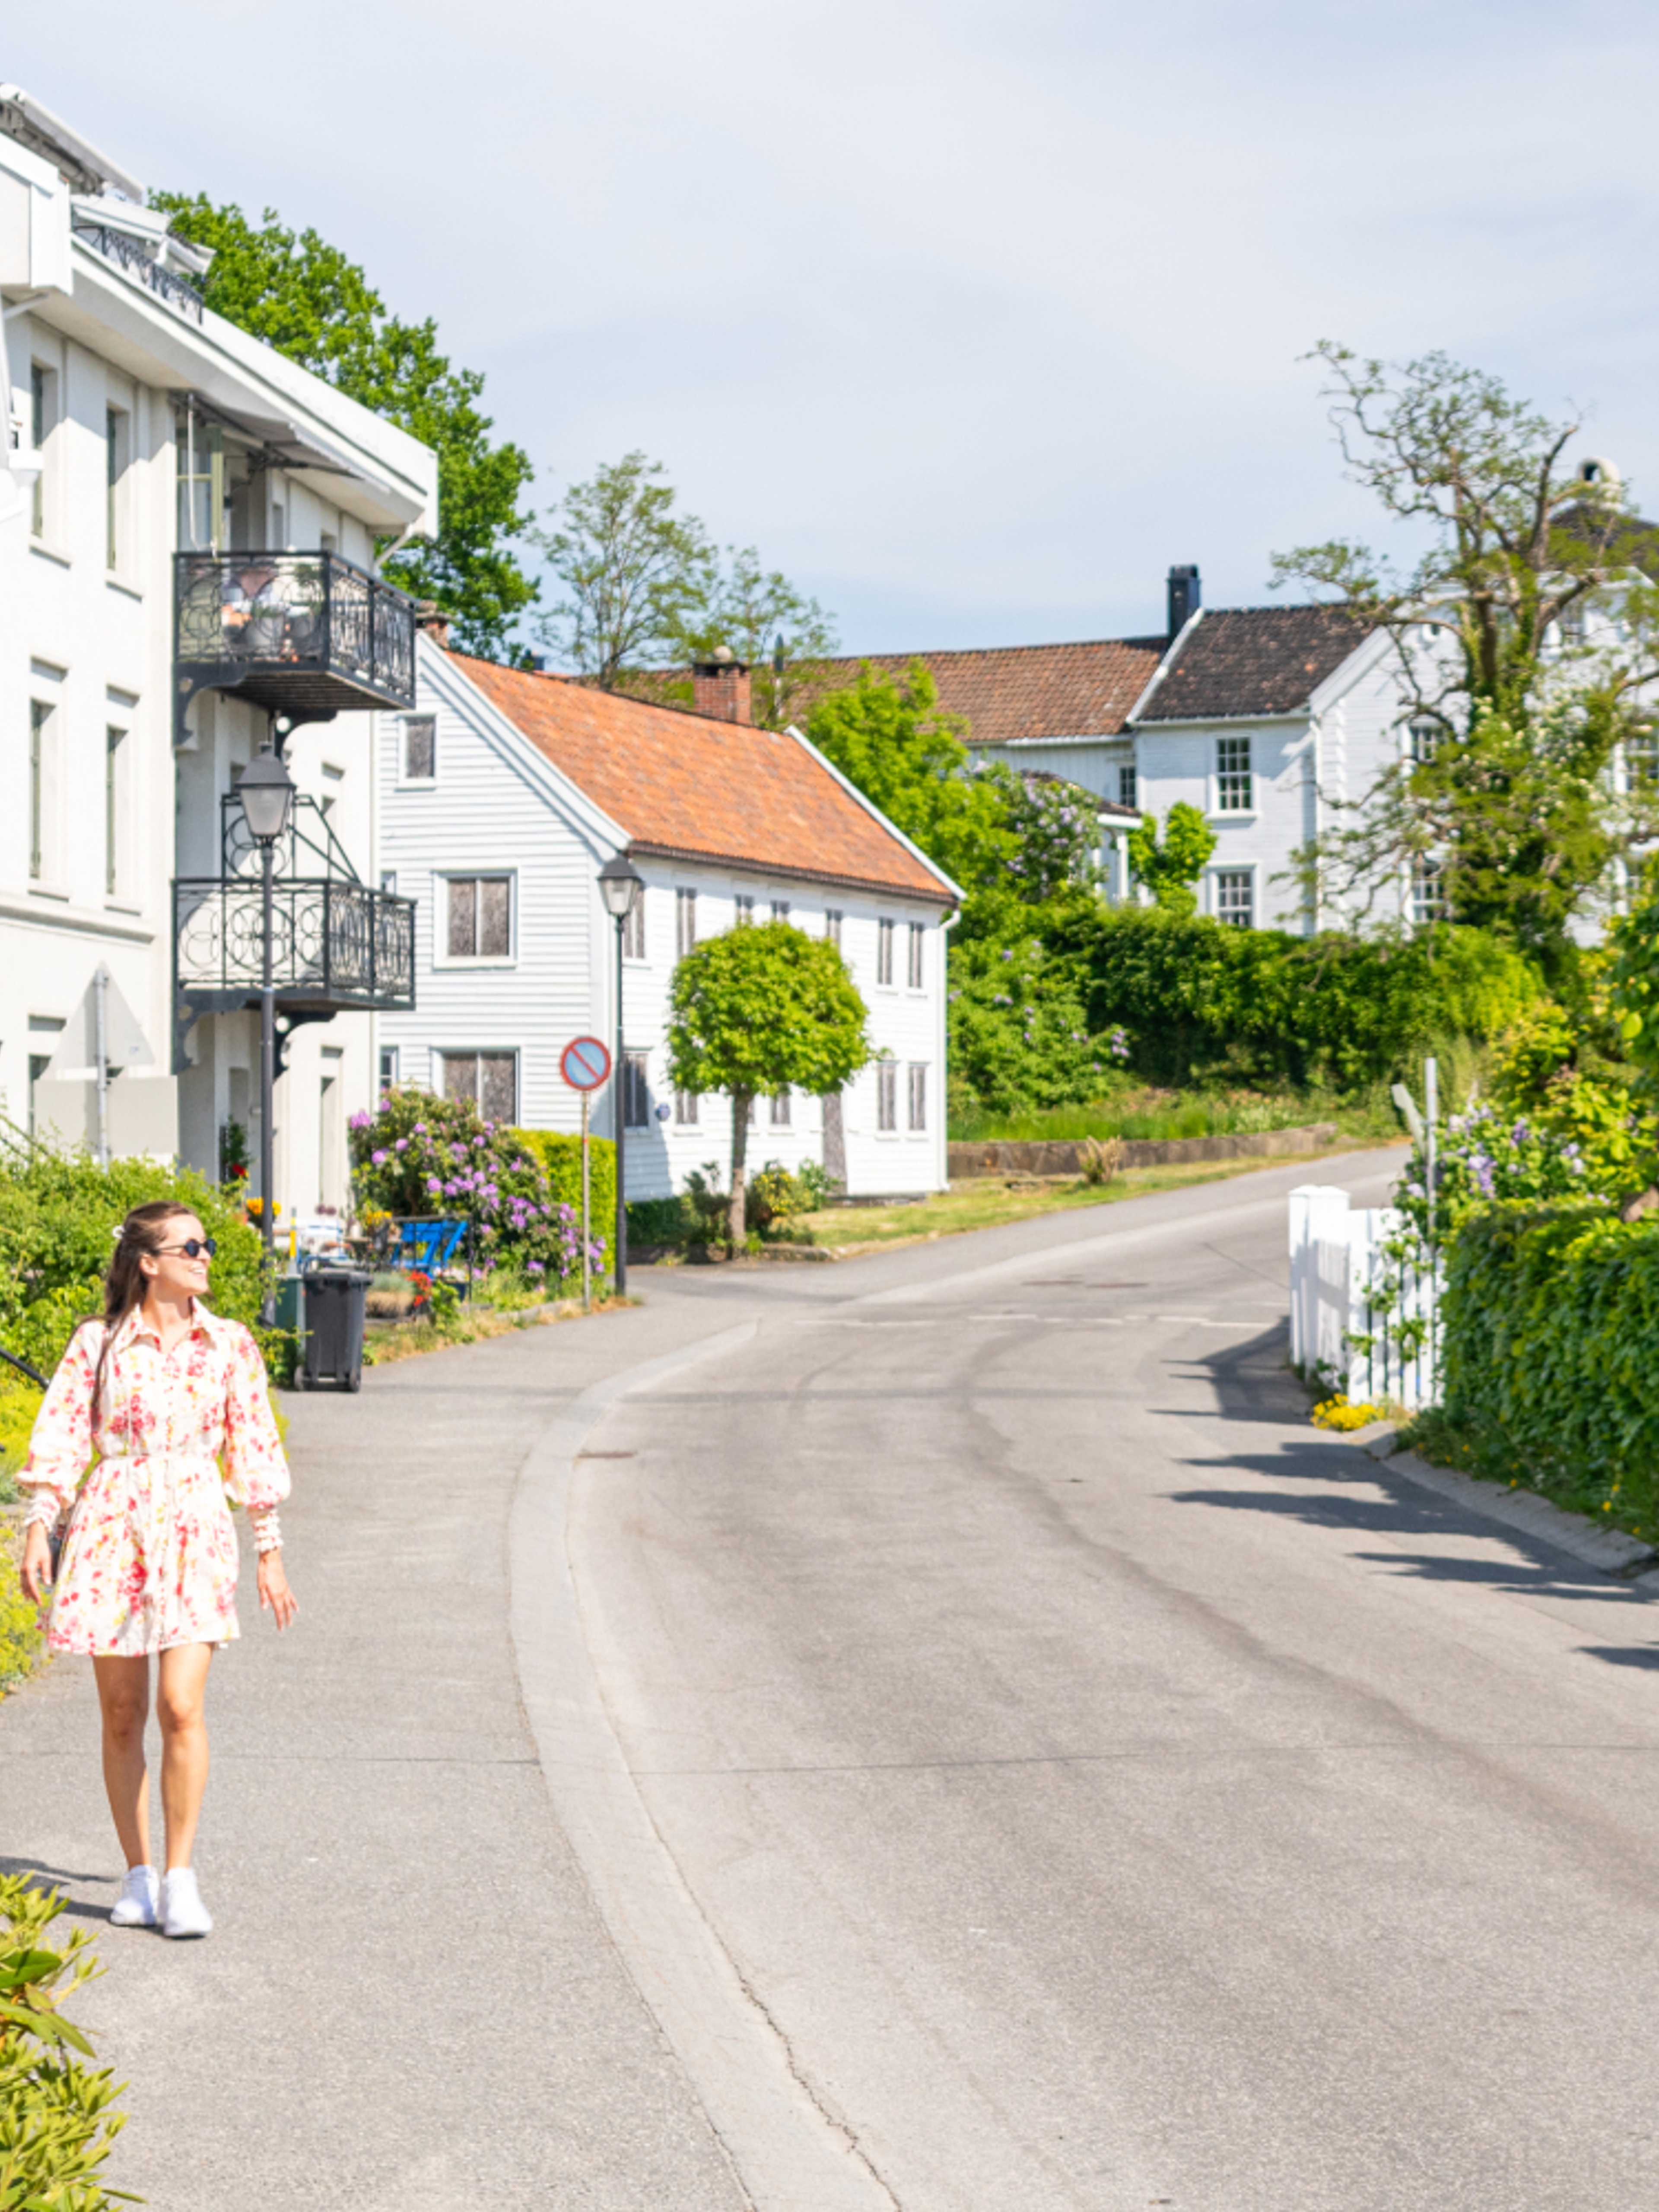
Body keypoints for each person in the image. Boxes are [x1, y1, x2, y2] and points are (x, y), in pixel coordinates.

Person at [17, 1201, 298, 1940]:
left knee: (180, 1706)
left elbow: (255, 1447)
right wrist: (38, 1528)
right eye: (191, 1247)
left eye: (207, 1247)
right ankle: (138, 1873)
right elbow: (61, 1436)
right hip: (113, 1527)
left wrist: (269, 1550)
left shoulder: (230, 1345)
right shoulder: (99, 1344)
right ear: (149, 1262)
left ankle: (181, 1877)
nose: (206, 1257)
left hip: (196, 1528)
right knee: (121, 1714)